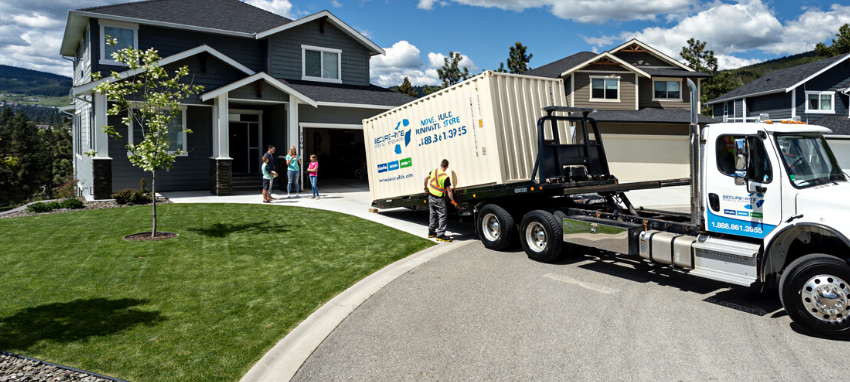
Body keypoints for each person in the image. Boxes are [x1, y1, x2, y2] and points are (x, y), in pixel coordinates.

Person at [424, 159, 456, 242]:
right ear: (447, 167)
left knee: (433, 214)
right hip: (439, 199)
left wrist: (425, 188)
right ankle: (440, 235)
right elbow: (449, 191)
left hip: (431, 196)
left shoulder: (433, 171)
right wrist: (453, 201)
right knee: (442, 216)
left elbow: (425, 178)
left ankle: (431, 232)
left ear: (440, 165)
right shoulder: (445, 177)